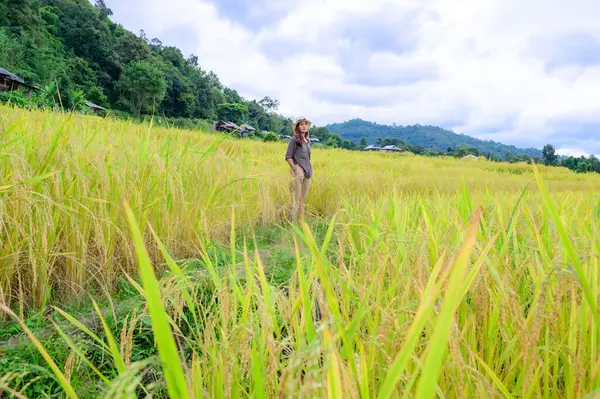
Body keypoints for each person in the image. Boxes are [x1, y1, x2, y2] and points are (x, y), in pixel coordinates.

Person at [285, 117, 313, 221]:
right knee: (295, 199)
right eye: (301, 124)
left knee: (302, 200)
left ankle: (301, 222)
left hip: (308, 172)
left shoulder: (308, 141)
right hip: (298, 172)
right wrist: (295, 169)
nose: (304, 126)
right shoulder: (294, 140)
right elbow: (288, 157)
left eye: (306, 124)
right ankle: (291, 222)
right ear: (298, 127)